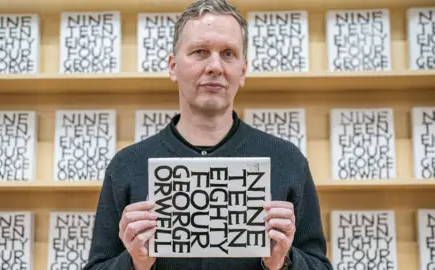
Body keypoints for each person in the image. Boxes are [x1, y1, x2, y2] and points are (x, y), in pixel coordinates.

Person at [83, 0, 332, 269]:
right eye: (200, 52)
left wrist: (283, 262)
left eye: (228, 54)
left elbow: (320, 264)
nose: (215, 66)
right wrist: (135, 263)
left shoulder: (288, 161)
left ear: (243, 70)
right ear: (172, 66)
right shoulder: (126, 165)